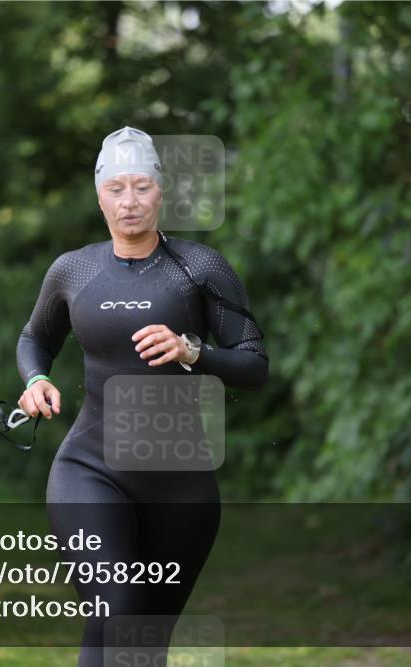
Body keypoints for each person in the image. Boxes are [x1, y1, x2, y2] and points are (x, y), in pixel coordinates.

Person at [15, 126, 268, 666]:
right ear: (98, 193)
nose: (129, 202)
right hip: (91, 467)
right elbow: (36, 338)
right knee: (119, 604)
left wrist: (192, 351)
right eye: (116, 189)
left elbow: (254, 365)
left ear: (162, 191)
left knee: (142, 642)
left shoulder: (201, 268)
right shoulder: (74, 270)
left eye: (142, 188)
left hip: (181, 484)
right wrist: (36, 380)